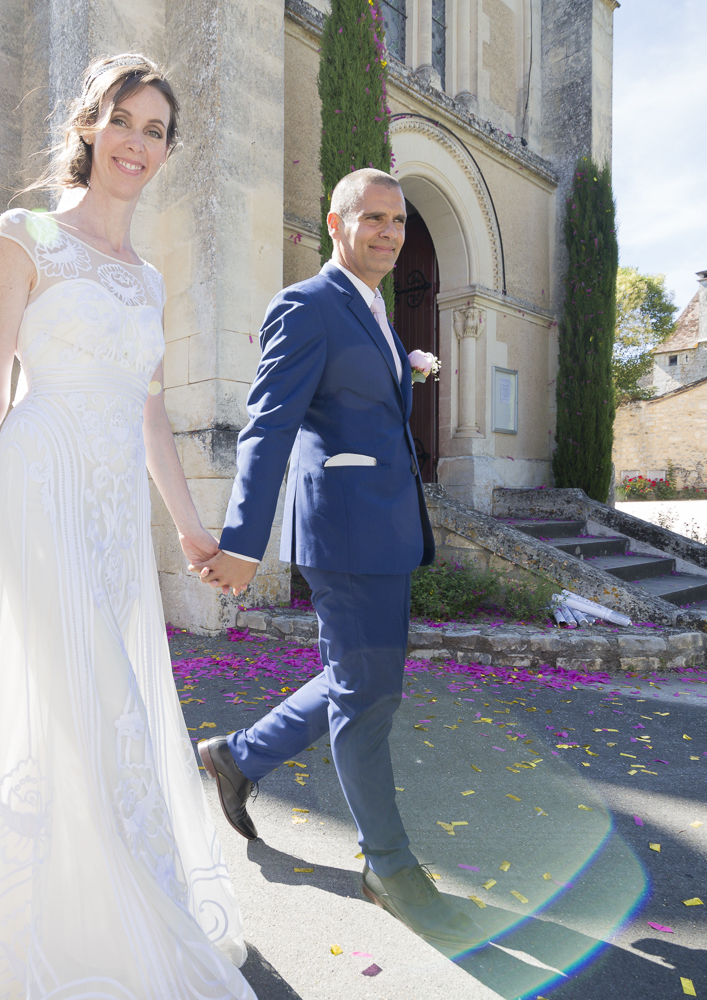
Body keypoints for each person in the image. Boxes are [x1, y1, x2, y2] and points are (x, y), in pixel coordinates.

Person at [0, 54, 255, 1000]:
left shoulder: (149, 280)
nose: (137, 143)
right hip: (40, 488)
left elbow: (150, 413)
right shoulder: (24, 235)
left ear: (167, 150)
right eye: (123, 121)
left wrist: (191, 529)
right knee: (83, 692)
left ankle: (91, 906)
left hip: (115, 512)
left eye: (156, 130)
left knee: (99, 696)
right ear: (88, 126)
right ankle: (80, 922)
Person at [193, 168, 479, 955]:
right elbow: (267, 426)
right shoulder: (307, 305)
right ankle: (389, 867)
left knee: (363, 681)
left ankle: (235, 758)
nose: (389, 232)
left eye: (398, 220)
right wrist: (242, 543)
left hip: (384, 528)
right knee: (368, 694)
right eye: (373, 218)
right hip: (346, 532)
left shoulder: (375, 310)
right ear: (336, 222)